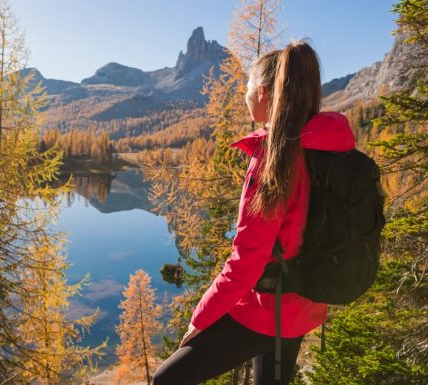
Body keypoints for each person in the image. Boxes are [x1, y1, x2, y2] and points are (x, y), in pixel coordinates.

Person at [151, 40, 356, 385]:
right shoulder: (324, 146)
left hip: (268, 308)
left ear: (262, 93)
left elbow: (247, 261)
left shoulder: (274, 159)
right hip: (304, 301)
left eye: (246, 86)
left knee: (167, 379)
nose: (244, 94)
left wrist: (199, 319)